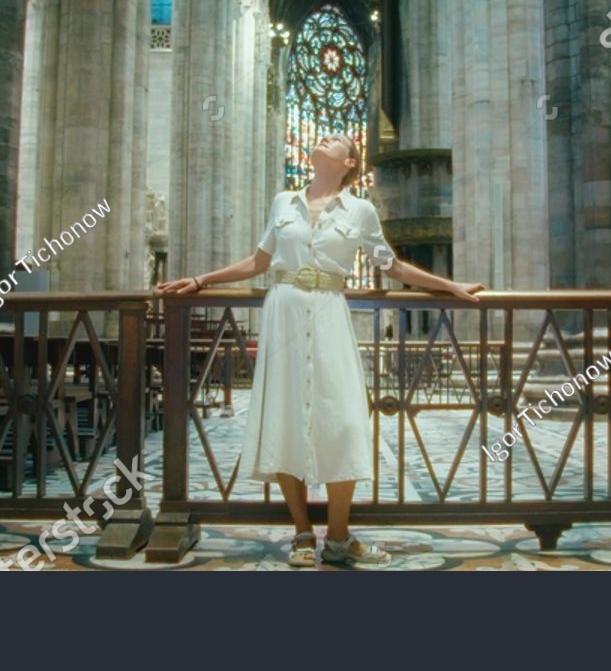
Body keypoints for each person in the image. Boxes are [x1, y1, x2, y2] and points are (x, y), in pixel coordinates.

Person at [156, 134, 484, 568]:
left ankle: (340, 535)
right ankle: (302, 534)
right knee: (285, 417)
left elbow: (393, 265)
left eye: (335, 141)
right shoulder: (283, 202)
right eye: (323, 138)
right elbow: (257, 262)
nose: (324, 141)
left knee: (343, 421)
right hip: (284, 312)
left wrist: (451, 286)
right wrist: (200, 280)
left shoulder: (361, 210)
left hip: (330, 314)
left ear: (349, 161)